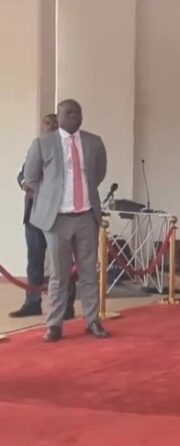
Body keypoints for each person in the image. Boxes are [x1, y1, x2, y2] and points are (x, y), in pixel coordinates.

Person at [22, 99, 110, 342]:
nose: (75, 117)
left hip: (86, 216)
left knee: (89, 273)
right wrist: (51, 195)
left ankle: (93, 321)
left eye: (78, 113)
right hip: (57, 219)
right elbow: (30, 177)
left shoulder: (94, 142)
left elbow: (98, 173)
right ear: (59, 117)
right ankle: (54, 325)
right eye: (70, 113)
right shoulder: (43, 143)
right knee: (59, 276)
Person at [8, 113, 76, 319]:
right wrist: (24, 183)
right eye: (47, 123)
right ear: (42, 126)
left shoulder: (67, 150)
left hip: (58, 216)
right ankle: (32, 303)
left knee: (62, 263)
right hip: (33, 216)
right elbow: (22, 174)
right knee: (34, 262)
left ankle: (66, 306)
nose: (51, 126)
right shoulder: (35, 148)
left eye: (55, 123)